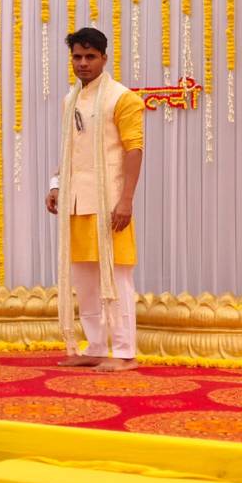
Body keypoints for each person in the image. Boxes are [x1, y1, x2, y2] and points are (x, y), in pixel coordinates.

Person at [46, 27, 145, 372]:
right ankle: (95, 345)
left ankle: (125, 352)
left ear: (105, 57)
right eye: (77, 57)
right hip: (76, 201)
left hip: (110, 202)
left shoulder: (123, 98)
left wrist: (126, 200)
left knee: (116, 279)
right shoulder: (70, 99)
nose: (83, 63)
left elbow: (134, 150)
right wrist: (56, 184)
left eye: (90, 57)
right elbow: (68, 148)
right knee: (85, 279)